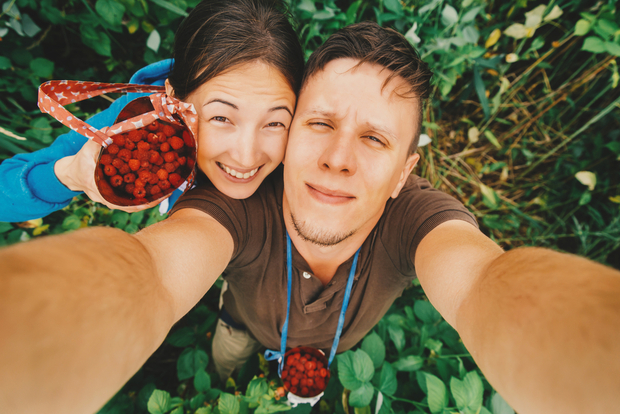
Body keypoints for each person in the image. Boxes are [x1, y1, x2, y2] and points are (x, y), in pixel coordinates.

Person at [1, 21, 620, 414]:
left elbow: (488, 284)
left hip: (332, 346)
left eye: (375, 141)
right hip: (241, 320)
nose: (337, 159)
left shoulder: (418, 218)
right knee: (227, 355)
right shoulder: (232, 201)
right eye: (319, 124)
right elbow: (154, 273)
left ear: (407, 172)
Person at [0, 0, 304, 222]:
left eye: (275, 123)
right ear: (173, 98)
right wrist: (69, 175)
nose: (246, 156)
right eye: (221, 118)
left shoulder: (316, 137)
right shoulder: (136, 121)